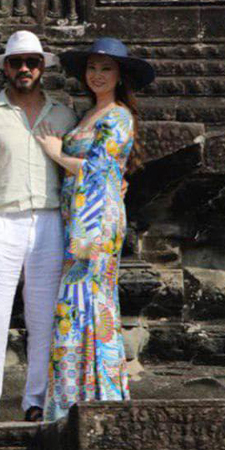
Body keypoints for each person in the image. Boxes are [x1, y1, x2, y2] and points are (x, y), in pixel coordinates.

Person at [0, 30, 77, 423]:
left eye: (32, 62)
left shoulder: (63, 115)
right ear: (6, 68)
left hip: (49, 219)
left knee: (44, 318)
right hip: (1, 220)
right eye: (17, 63)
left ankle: (36, 400)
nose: (24, 69)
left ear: (42, 67)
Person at [35, 37, 151, 421]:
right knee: (75, 301)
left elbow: (100, 170)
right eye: (92, 68)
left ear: (120, 76)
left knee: (90, 298)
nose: (97, 75)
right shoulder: (86, 115)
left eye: (106, 69)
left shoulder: (119, 117)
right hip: (76, 217)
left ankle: (99, 395)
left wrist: (56, 154)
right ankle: (74, 396)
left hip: (97, 221)